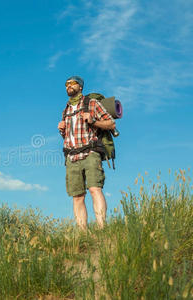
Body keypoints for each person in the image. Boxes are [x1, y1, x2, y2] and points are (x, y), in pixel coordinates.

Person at [57, 76, 116, 230]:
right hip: (71, 156)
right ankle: (83, 234)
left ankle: (102, 228)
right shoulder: (66, 110)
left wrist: (93, 121)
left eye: (72, 83)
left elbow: (111, 123)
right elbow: (69, 136)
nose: (68, 86)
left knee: (95, 189)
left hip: (90, 152)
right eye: (66, 84)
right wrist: (62, 130)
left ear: (80, 86)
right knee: (77, 197)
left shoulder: (92, 104)